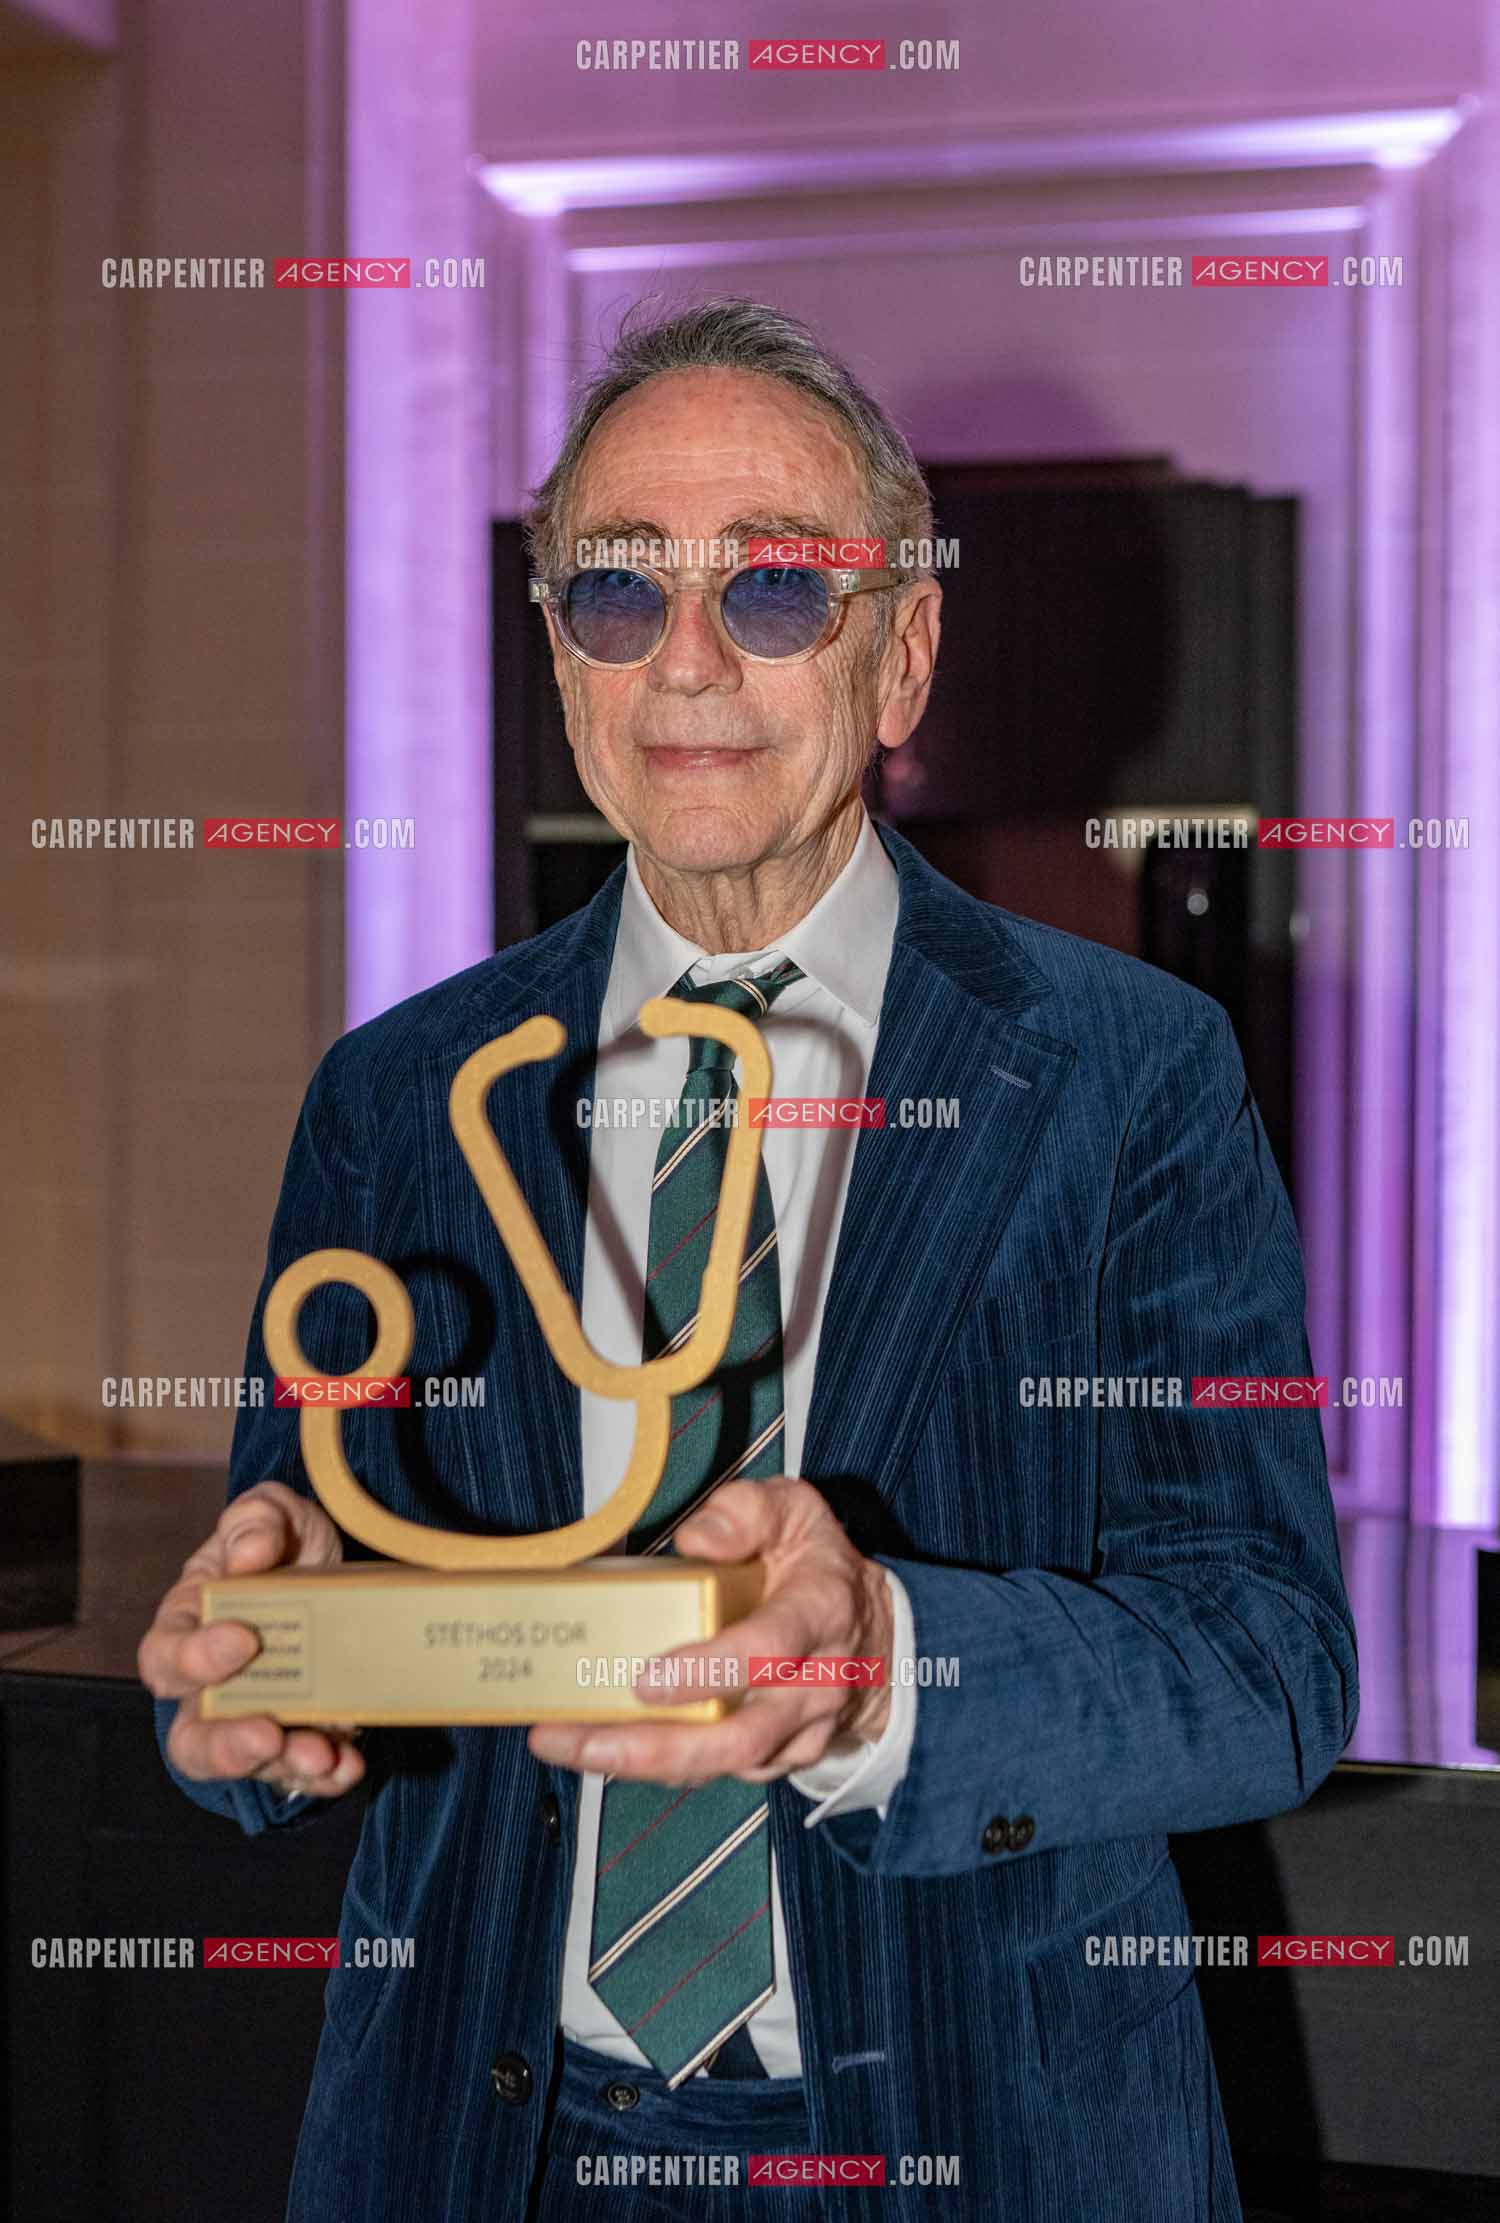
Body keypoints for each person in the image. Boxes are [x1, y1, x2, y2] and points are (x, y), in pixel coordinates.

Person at [139, 298, 1357, 2222]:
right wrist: (247, 1704)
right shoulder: (404, 1095)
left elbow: (1271, 1664)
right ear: (560, 661)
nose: (689, 658)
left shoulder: (1129, 1075)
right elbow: (295, 1619)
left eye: (778, 591)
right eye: (617, 593)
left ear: (904, 656)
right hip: (486, 2150)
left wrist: (885, 1669)